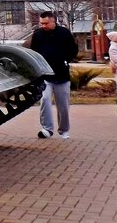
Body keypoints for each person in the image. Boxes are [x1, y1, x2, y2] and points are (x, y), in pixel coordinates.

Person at [26, 11, 78, 139]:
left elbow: (73, 49)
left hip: (62, 75)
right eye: (41, 23)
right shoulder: (37, 35)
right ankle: (47, 129)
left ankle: (64, 130)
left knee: (63, 105)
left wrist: (66, 60)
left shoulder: (64, 33)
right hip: (45, 76)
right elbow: (34, 53)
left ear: (53, 21)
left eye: (46, 23)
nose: (43, 25)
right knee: (44, 99)